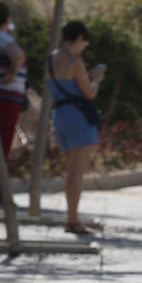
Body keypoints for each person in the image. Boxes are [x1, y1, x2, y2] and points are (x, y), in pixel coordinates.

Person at [46, 20, 106, 235]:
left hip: (60, 115)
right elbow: (89, 94)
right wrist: (96, 79)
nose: (84, 46)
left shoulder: (51, 59)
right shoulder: (75, 61)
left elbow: (66, 86)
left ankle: (72, 218)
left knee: (70, 170)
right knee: (77, 173)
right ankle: (72, 220)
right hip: (78, 118)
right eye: (84, 42)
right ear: (79, 38)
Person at [0, 1, 27, 201]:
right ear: (6, 20)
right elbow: (18, 55)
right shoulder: (1, 37)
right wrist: (12, 74)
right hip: (4, 98)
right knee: (1, 143)